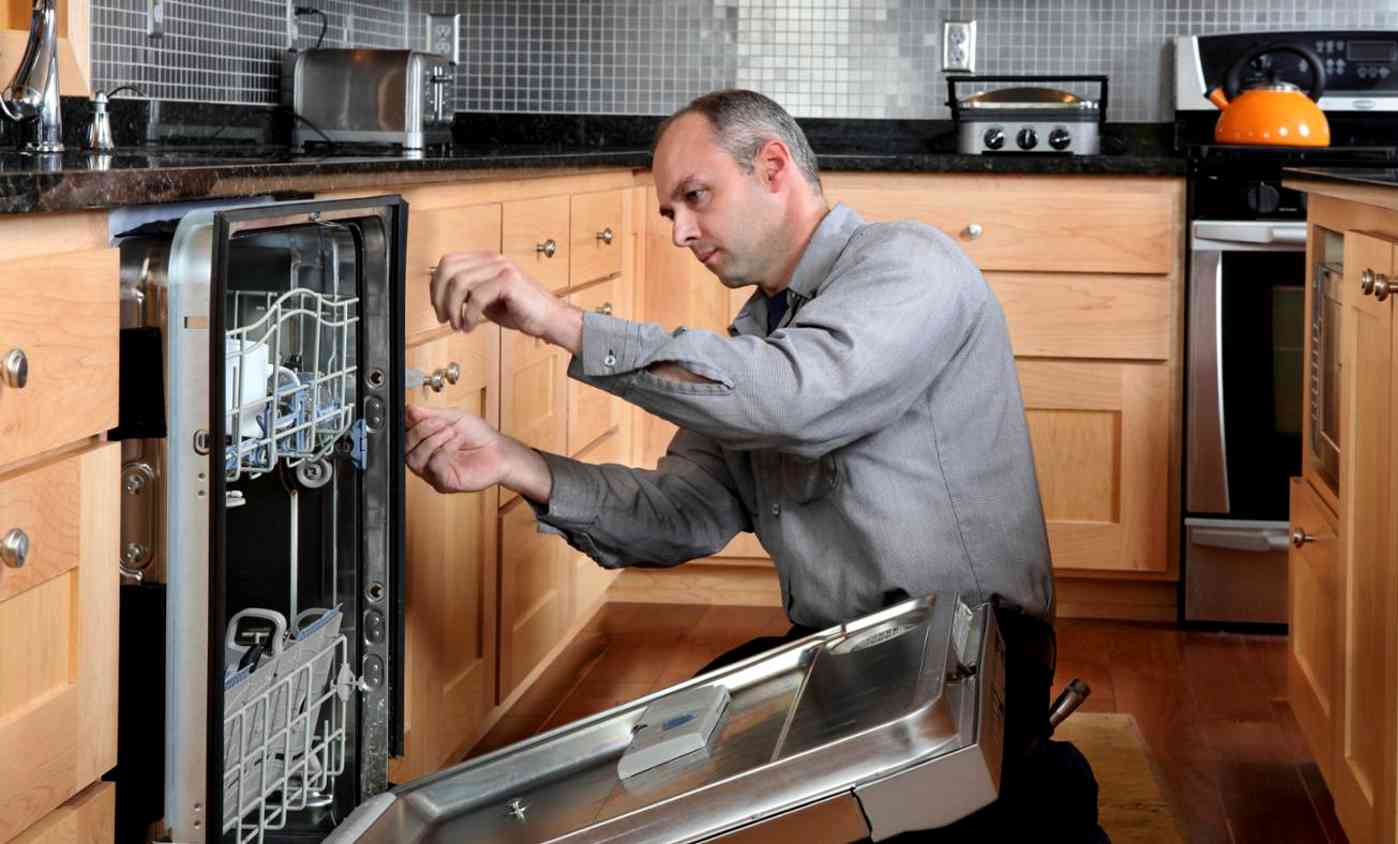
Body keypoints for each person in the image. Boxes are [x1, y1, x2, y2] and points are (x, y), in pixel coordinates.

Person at [407, 89, 1105, 842]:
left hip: (965, 663)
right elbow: (682, 513)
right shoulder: (755, 345)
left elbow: (794, 399)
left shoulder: (909, 265)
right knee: (669, 765)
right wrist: (518, 464)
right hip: (846, 654)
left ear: (773, 168)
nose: (680, 232)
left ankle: (1035, 786)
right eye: (669, 212)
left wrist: (559, 322)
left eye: (695, 197)